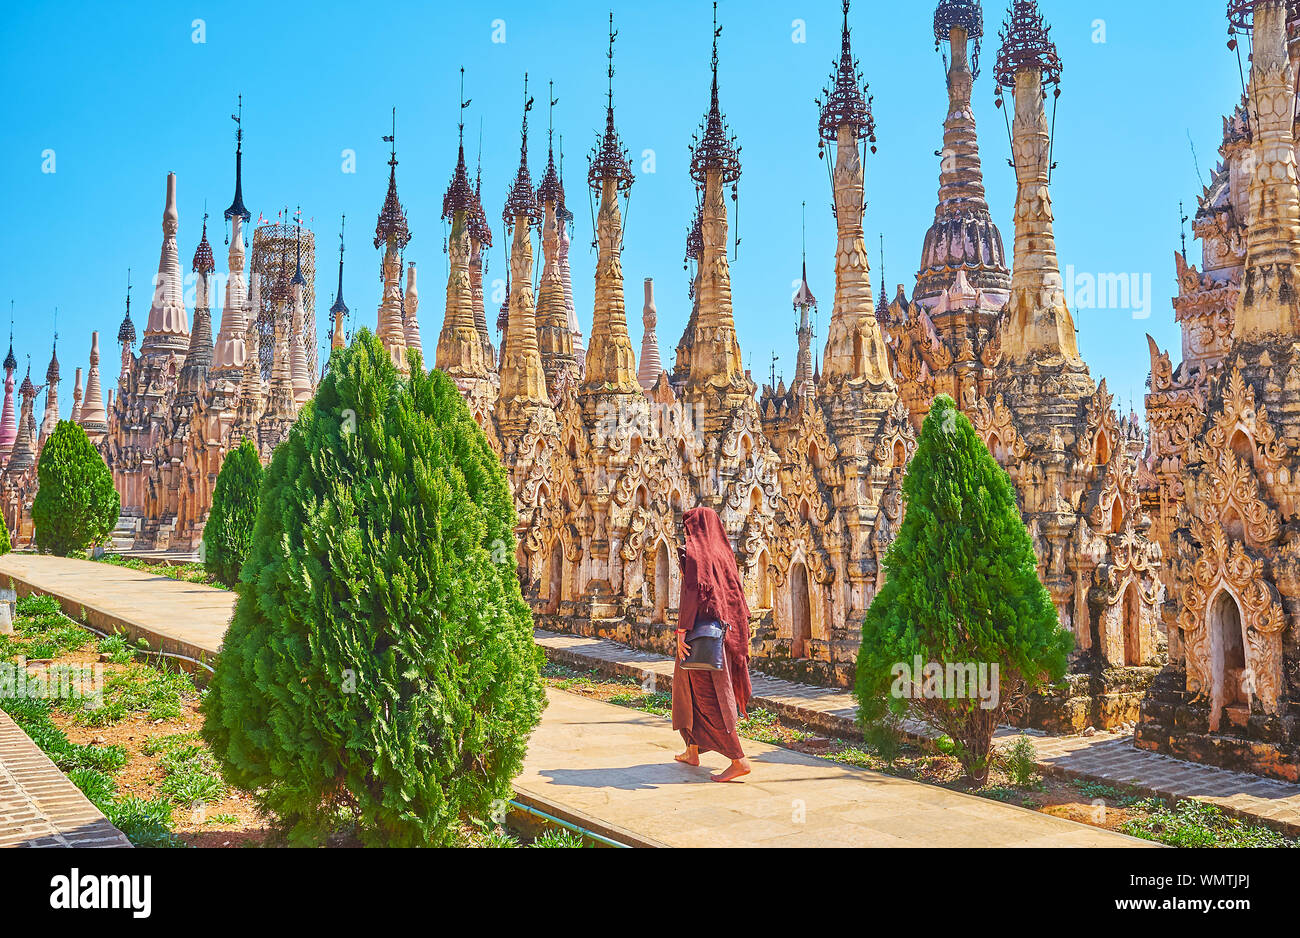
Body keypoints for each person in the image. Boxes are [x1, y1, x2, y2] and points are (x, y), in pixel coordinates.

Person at [671, 506, 753, 782]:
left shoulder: (698, 555)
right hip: (724, 634)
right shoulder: (722, 553)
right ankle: (692, 750)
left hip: (702, 637)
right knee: (688, 691)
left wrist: (681, 630)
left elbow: (693, 594)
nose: (687, 533)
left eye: (689, 527)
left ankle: (738, 758)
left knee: (708, 697)